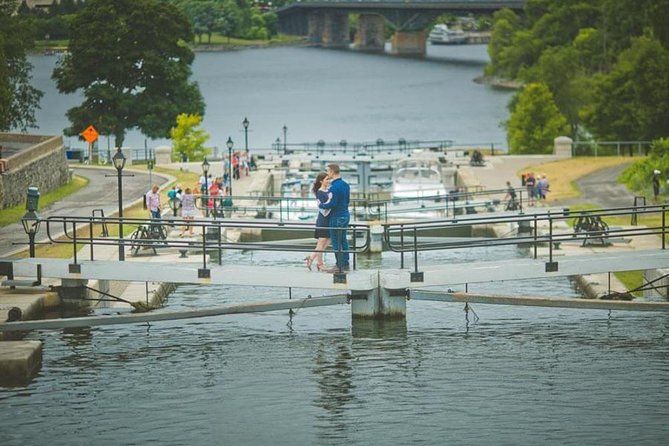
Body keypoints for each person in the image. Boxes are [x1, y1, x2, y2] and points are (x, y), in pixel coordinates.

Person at [318, 164, 350, 272]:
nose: (327, 173)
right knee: (344, 240)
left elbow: (333, 204)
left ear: (332, 172)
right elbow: (347, 201)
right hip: (345, 215)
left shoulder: (334, 187)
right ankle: (345, 263)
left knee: (336, 242)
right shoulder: (346, 185)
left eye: (327, 171)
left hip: (336, 217)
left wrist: (321, 205)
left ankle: (339, 265)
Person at [305, 173, 331, 271]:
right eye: (326, 179)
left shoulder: (328, 190)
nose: (328, 181)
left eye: (329, 179)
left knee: (327, 241)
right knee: (321, 243)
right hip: (323, 219)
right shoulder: (320, 192)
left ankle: (311, 258)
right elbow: (323, 207)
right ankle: (319, 263)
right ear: (321, 181)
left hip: (328, 219)